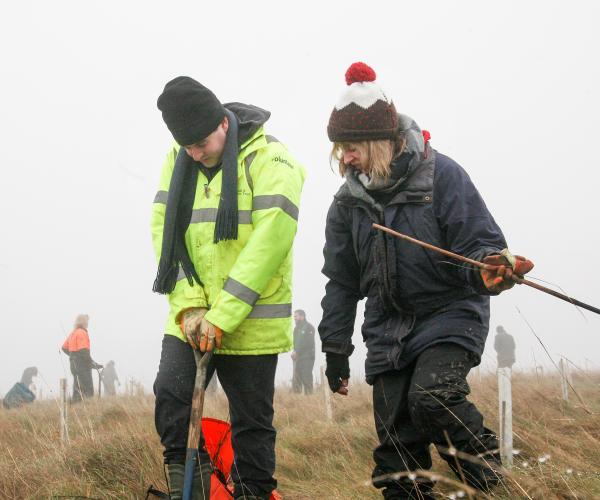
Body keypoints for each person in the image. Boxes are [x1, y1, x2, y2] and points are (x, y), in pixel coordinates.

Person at [318, 62, 534, 499]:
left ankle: (491, 483)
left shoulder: (442, 175)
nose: (345, 157)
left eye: (352, 146)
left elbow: (479, 244)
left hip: (449, 314)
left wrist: (489, 267)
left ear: (380, 141)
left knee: (433, 397)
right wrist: (336, 349)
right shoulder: (346, 205)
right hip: (387, 326)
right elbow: (341, 283)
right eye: (340, 147)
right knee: (396, 455)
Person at [152, 76, 306, 500]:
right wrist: (189, 309)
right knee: (170, 396)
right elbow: (165, 232)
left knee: (252, 425)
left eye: (202, 143)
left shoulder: (272, 160)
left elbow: (269, 244)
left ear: (223, 123)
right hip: (191, 315)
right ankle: (196, 493)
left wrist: (222, 315)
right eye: (188, 147)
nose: (196, 154)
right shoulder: (178, 158)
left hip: (252, 322)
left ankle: (254, 494)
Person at [61, 314, 102, 402]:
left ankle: (75, 406)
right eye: (87, 321)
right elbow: (84, 351)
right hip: (82, 364)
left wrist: (73, 355)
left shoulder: (73, 333)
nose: (88, 323)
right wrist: (91, 363)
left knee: (77, 386)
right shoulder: (82, 333)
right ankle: (87, 406)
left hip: (73, 364)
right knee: (87, 387)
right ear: (84, 322)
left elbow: (64, 348)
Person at [291, 309, 316, 395]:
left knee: (306, 379)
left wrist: (297, 351)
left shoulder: (309, 327)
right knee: (296, 380)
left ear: (302, 316)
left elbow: (309, 343)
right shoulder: (296, 329)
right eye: (294, 316)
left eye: (296, 316)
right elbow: (295, 343)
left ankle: (309, 400)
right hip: (298, 358)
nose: (294, 318)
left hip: (307, 357)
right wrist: (294, 352)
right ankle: (297, 402)